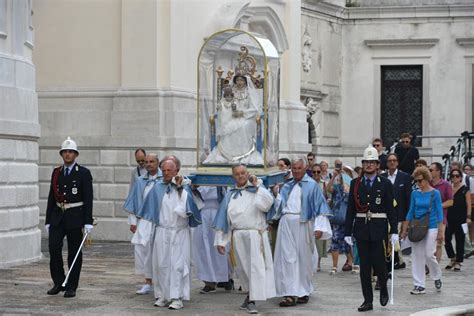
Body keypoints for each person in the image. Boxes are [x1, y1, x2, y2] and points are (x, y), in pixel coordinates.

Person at [213, 164, 275, 314]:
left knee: (256, 268)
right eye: (237, 174)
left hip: (255, 234)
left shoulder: (257, 190)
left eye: (243, 173)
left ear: (247, 173)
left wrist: (258, 186)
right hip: (238, 235)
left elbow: (267, 204)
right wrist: (221, 241)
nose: (240, 176)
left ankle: (252, 300)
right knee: (242, 268)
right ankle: (249, 296)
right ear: (233, 176)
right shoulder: (230, 194)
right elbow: (224, 219)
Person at [139, 159, 201, 310]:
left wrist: (180, 188)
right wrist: (143, 234)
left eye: (169, 170)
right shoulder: (157, 188)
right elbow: (149, 212)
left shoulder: (183, 187)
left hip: (178, 233)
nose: (166, 173)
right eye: (164, 170)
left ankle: (176, 297)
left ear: (176, 171)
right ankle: (162, 295)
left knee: (177, 266)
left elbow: (187, 209)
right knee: (161, 264)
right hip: (162, 231)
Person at [271, 157, 332, 307]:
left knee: (304, 259)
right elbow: (279, 207)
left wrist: (319, 227)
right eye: (294, 168)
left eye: (299, 168)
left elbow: (320, 208)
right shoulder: (286, 186)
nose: (296, 171)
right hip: (286, 224)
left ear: (305, 169)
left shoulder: (312, 186)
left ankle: (303, 290)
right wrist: (276, 194)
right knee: (287, 258)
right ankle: (289, 293)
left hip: (304, 224)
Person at [344, 145, 398, 312]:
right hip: (361, 228)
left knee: (379, 263)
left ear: (377, 165)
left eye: (372, 162)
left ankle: (383, 287)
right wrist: (347, 231)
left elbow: (390, 209)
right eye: (366, 162)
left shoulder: (386, 184)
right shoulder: (355, 183)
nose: (369, 165)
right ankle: (367, 300)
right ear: (363, 164)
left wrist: (394, 230)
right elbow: (351, 209)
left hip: (378, 228)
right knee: (364, 267)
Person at [45, 136, 94, 298]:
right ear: (61, 154)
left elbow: (88, 199)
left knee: (74, 252)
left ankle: (71, 285)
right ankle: (59, 282)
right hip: (58, 217)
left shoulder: (84, 173)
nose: (67, 155)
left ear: (76, 155)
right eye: (65, 152)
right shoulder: (56, 172)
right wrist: (47, 220)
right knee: (53, 248)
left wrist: (88, 221)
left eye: (70, 152)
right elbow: (52, 197)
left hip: (75, 217)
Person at [401, 166, 443, 295]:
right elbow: (410, 211)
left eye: (420, 180)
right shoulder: (415, 193)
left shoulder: (435, 193)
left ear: (427, 179)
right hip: (417, 227)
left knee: (429, 254)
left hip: (431, 226)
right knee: (417, 256)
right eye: (416, 181)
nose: (418, 183)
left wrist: (441, 231)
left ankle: (436, 276)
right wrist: (404, 229)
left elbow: (440, 213)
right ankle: (419, 285)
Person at [204, 74, 262, 165]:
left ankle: (244, 155)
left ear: (245, 81)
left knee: (243, 127)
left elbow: (254, 109)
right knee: (227, 126)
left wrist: (242, 113)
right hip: (231, 116)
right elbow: (224, 104)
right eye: (238, 80)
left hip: (247, 117)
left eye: (241, 80)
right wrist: (224, 107)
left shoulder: (249, 93)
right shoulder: (230, 91)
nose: (239, 82)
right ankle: (226, 156)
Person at [123, 153, 161, 295]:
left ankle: (161, 282)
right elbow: (134, 201)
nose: (149, 164)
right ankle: (148, 281)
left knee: (158, 252)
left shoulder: (164, 179)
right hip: (144, 221)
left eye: (152, 161)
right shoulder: (140, 181)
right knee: (143, 251)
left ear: (158, 163)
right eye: (146, 162)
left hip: (159, 222)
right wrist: (133, 221)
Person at [192, 186, 232, 293]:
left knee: (220, 245)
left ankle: (225, 277)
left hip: (218, 213)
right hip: (202, 214)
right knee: (203, 248)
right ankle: (208, 281)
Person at [381, 153, 412, 269]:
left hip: (400, 214)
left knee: (396, 239)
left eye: (394, 160)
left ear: (397, 162)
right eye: (390, 161)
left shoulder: (405, 177)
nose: (392, 162)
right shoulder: (383, 176)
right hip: (385, 214)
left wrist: (407, 219)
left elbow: (408, 198)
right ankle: (393, 260)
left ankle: (396, 261)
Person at [327, 165, 354, 275]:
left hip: (348, 218)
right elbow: (328, 189)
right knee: (335, 241)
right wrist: (334, 176)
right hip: (337, 218)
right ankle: (334, 266)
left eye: (346, 172)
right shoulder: (337, 187)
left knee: (349, 243)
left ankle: (351, 262)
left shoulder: (352, 186)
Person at [444, 169, 472, 271]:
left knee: (460, 240)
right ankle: (452, 257)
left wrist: (468, 217)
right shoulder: (448, 188)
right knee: (446, 238)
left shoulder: (465, 189)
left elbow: (468, 204)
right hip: (449, 217)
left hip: (461, 217)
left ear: (460, 177)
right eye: (453, 176)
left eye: (457, 176)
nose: (455, 178)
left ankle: (459, 261)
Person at [430, 162, 453, 262]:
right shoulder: (427, 184)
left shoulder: (446, 185)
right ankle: (428, 264)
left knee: (439, 243)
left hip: (441, 218)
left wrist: (438, 206)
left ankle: (435, 266)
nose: (429, 172)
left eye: (431, 170)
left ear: (438, 171)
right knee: (429, 242)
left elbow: (451, 201)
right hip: (427, 218)